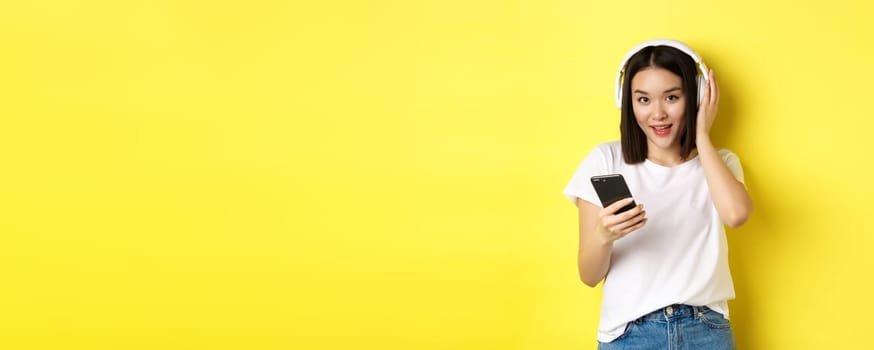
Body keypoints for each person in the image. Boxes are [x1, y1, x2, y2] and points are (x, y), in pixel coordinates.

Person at [562, 39, 753, 349]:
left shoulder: (721, 162)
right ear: (628, 102)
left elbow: (736, 215)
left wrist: (702, 136)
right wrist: (603, 234)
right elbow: (589, 275)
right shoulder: (605, 160)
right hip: (629, 335)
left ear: (697, 97)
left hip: (705, 331)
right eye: (644, 100)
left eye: (672, 97)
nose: (658, 113)